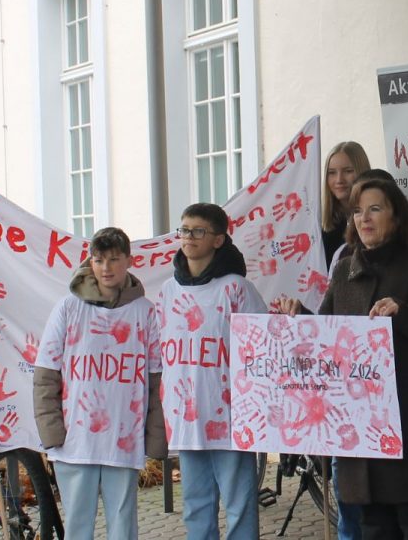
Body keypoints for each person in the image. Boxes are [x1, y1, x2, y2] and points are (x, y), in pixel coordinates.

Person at [281, 177, 408, 539]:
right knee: (372, 524)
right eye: (357, 211)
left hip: (405, 421)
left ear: (396, 216)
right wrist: (299, 316)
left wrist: (402, 313)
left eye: (375, 209)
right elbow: (324, 336)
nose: (364, 219)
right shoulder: (344, 270)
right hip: (356, 428)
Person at [32, 227, 163, 540]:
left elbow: (156, 381)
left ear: (129, 260)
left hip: (124, 439)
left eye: (114, 259)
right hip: (75, 442)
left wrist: (155, 437)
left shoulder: (145, 312)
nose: (106, 268)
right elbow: (46, 375)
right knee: (78, 526)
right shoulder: (68, 308)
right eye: (99, 260)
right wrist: (51, 431)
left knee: (123, 525)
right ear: (90, 262)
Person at [155, 203, 268, 540]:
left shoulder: (236, 289)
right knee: (196, 505)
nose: (188, 237)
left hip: (230, 416)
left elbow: (261, 348)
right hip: (186, 418)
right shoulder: (168, 291)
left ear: (218, 240)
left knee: (239, 503)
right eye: (184, 229)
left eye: (198, 231)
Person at [322, 141, 373, 268]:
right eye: (332, 173)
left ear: (362, 172)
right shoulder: (320, 223)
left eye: (348, 171)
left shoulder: (374, 218)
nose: (339, 180)